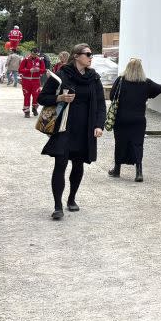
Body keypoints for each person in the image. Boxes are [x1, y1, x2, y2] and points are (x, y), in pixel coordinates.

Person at [37, 43, 106, 220]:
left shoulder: (94, 78)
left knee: (78, 164)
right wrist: (59, 97)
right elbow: (42, 97)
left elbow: (100, 105)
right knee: (60, 164)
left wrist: (99, 125)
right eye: (88, 54)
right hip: (64, 127)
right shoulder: (61, 75)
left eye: (91, 54)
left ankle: (72, 199)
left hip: (85, 129)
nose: (91, 57)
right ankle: (57, 205)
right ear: (76, 56)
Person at [107, 58, 161, 182]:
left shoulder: (121, 80)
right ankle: (139, 172)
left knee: (120, 143)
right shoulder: (146, 83)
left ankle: (117, 169)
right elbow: (160, 89)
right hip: (138, 120)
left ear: (127, 67)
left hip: (121, 119)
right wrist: (148, 95)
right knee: (137, 144)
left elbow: (112, 97)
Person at [19, 48, 46, 117]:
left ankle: (34, 108)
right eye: (33, 54)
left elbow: (43, 70)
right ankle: (26, 111)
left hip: (36, 81)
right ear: (30, 53)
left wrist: (39, 70)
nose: (34, 55)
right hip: (26, 81)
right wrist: (29, 70)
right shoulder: (25, 60)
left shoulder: (40, 60)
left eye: (36, 54)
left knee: (36, 95)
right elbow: (20, 70)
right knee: (27, 96)